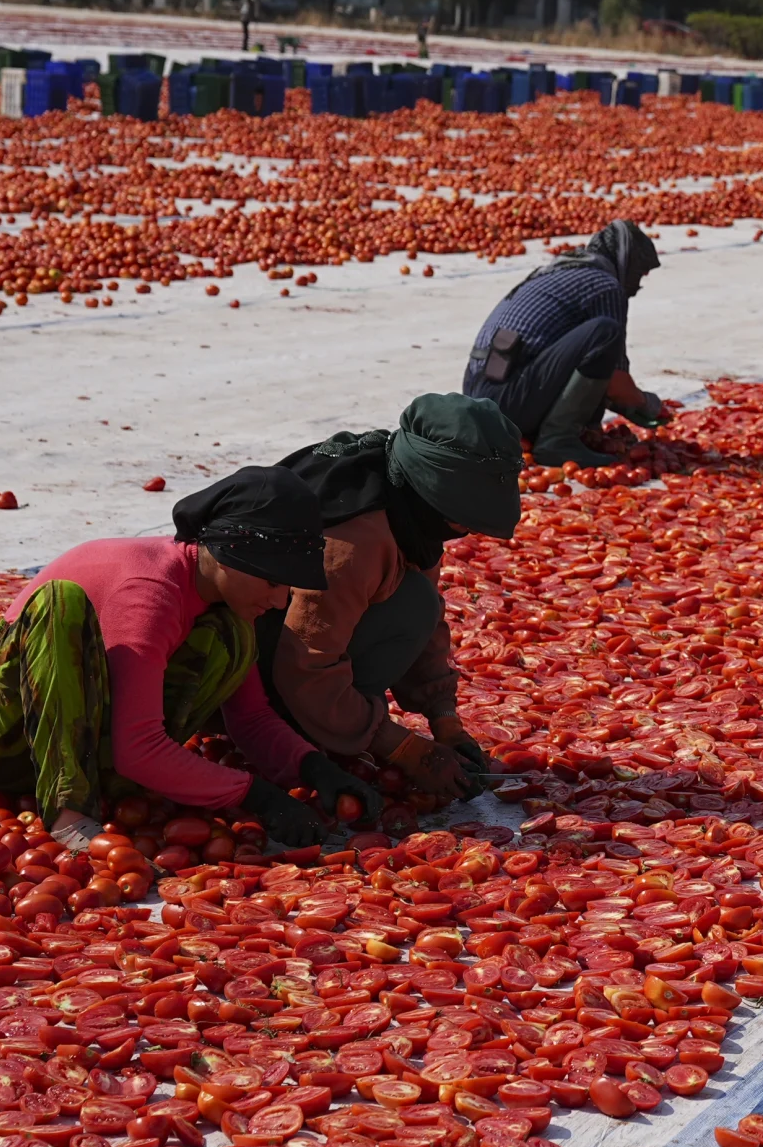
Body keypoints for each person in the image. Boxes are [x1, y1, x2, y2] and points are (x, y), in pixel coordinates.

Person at [0, 469, 379, 853]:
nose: (280, 599)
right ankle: (68, 812)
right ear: (228, 556)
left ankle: (97, 786)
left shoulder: (223, 603)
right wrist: (252, 794)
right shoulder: (149, 594)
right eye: (271, 580)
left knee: (233, 635)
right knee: (61, 602)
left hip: (84, 735)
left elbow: (250, 719)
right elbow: (137, 749)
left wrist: (312, 767)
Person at [267, 394, 523, 806]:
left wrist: (444, 718)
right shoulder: (355, 541)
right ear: (432, 492)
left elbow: (427, 618)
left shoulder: (406, 502)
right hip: (254, 672)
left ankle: (331, 722)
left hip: (298, 645)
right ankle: (298, 727)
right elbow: (305, 661)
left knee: (416, 601)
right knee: (412, 604)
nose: (463, 531)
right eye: (461, 518)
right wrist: (400, 747)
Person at [464, 219, 676, 468]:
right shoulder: (605, 285)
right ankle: (557, 441)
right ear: (626, 262)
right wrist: (647, 404)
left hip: (478, 399)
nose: (639, 283)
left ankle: (550, 434)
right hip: (506, 400)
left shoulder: (557, 273)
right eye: (640, 271)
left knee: (593, 353)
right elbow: (615, 381)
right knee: (605, 332)